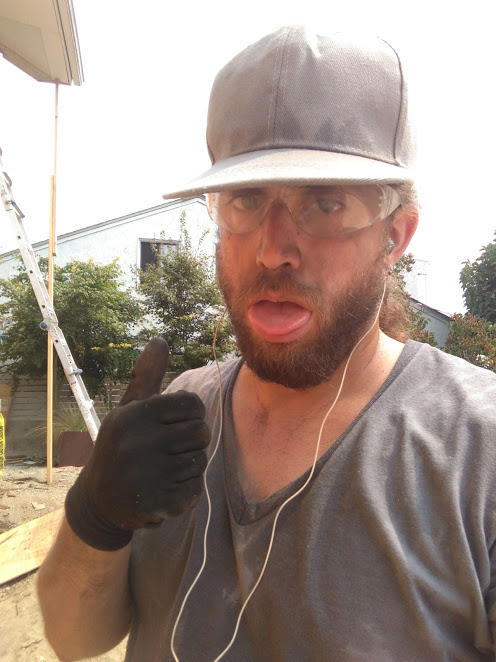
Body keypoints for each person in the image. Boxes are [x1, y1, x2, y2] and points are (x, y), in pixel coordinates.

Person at [37, 26, 496, 662]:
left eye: (326, 204)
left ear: (397, 235)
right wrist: (96, 513)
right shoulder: (179, 413)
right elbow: (73, 638)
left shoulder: (479, 453)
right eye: (246, 201)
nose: (272, 249)